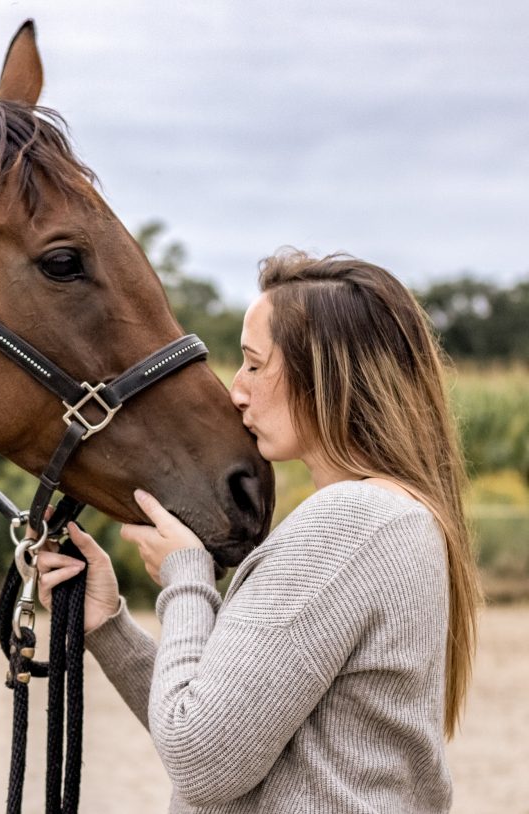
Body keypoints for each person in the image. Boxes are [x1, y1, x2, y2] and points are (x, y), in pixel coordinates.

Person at [37, 251, 481, 813]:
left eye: (253, 363)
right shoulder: (399, 518)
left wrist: (186, 575)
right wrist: (107, 626)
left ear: (324, 374)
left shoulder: (348, 523)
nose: (236, 390)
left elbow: (202, 761)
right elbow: (234, 723)